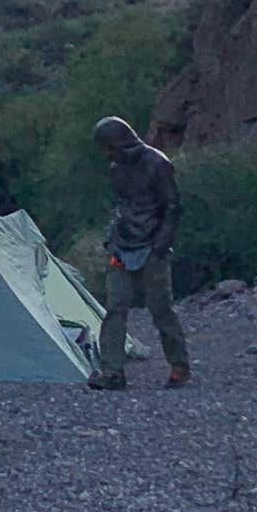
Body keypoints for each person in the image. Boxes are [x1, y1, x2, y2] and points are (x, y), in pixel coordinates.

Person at [86, 115, 190, 389]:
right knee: (115, 308)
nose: (107, 153)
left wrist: (159, 246)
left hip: (152, 245)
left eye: (108, 147)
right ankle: (112, 372)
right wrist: (112, 240)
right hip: (122, 244)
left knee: (161, 309)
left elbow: (172, 207)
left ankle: (179, 364)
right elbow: (122, 206)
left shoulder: (158, 164)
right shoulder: (116, 169)